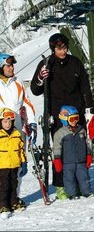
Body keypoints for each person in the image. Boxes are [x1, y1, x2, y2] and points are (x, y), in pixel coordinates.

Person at [30, 33, 94, 199]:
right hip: (57, 115)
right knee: (60, 151)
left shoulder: (75, 63)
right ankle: (61, 186)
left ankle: (80, 184)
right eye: (59, 48)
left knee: (80, 149)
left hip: (76, 113)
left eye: (65, 47)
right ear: (53, 49)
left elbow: (85, 86)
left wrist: (89, 109)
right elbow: (35, 90)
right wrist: (39, 78)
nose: (63, 51)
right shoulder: (46, 64)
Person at [0, 53, 36, 209]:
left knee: (16, 166)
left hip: (17, 129)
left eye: (12, 65)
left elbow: (27, 103)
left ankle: (14, 198)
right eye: (8, 65)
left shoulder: (18, 82)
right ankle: (2, 200)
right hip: (1, 129)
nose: (11, 68)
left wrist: (33, 123)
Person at [52, 105, 93, 200]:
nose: (75, 121)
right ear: (65, 119)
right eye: (72, 119)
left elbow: (87, 144)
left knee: (84, 177)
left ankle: (86, 192)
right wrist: (57, 159)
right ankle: (71, 194)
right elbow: (56, 147)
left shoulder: (82, 130)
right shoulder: (60, 133)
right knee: (69, 179)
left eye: (76, 118)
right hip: (67, 162)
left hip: (81, 161)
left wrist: (89, 155)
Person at [0, 108, 28, 218]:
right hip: (2, 166)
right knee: (4, 186)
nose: (8, 124)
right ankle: (3, 205)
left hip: (14, 165)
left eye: (10, 121)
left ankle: (13, 202)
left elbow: (21, 150)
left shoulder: (17, 134)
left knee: (14, 184)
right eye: (5, 121)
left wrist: (24, 162)